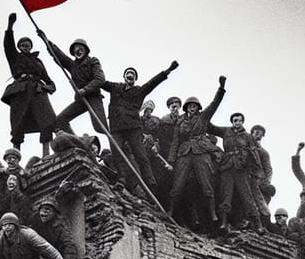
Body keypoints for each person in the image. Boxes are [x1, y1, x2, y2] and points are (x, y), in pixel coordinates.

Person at [101, 62, 179, 196]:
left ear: (135, 78)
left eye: (132, 74)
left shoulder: (138, 90)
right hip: (116, 127)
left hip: (133, 127)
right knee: (117, 153)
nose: (130, 75)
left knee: (140, 155)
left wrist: (167, 71)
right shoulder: (115, 87)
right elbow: (100, 82)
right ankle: (122, 178)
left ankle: (150, 182)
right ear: (124, 76)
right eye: (128, 73)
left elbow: (153, 83)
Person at [168, 78, 226, 230]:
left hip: (201, 151)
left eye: (194, 106)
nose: (192, 108)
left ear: (198, 107)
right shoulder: (180, 121)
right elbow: (175, 141)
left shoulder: (203, 117)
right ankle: (170, 211)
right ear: (186, 108)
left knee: (206, 183)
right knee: (178, 184)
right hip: (184, 152)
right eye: (189, 106)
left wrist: (221, 88)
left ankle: (213, 214)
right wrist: (171, 160)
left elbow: (214, 105)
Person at [2, 13, 57, 155]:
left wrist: (47, 87)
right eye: (21, 44)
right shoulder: (15, 57)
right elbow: (8, 45)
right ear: (19, 47)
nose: (24, 46)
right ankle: (15, 154)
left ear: (31, 46)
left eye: (27, 44)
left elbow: (50, 81)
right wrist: (10, 26)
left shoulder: (38, 62)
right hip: (20, 91)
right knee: (17, 123)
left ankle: (46, 155)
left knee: (47, 121)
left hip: (38, 91)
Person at [39, 32, 108, 136]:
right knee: (59, 121)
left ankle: (120, 145)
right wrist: (46, 40)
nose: (78, 50)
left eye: (80, 48)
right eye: (75, 49)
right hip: (81, 100)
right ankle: (79, 144)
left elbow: (100, 79)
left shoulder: (93, 61)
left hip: (94, 98)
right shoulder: (72, 65)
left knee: (100, 127)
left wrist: (84, 90)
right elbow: (59, 55)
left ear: (86, 50)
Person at [208, 113, 264, 233]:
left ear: (242, 122)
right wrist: (204, 115)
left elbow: (254, 154)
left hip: (241, 169)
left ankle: (258, 225)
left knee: (247, 196)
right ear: (232, 122)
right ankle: (224, 223)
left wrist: (257, 171)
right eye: (234, 120)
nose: (237, 122)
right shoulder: (226, 131)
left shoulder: (248, 136)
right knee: (226, 195)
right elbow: (211, 128)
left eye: (239, 120)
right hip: (227, 167)